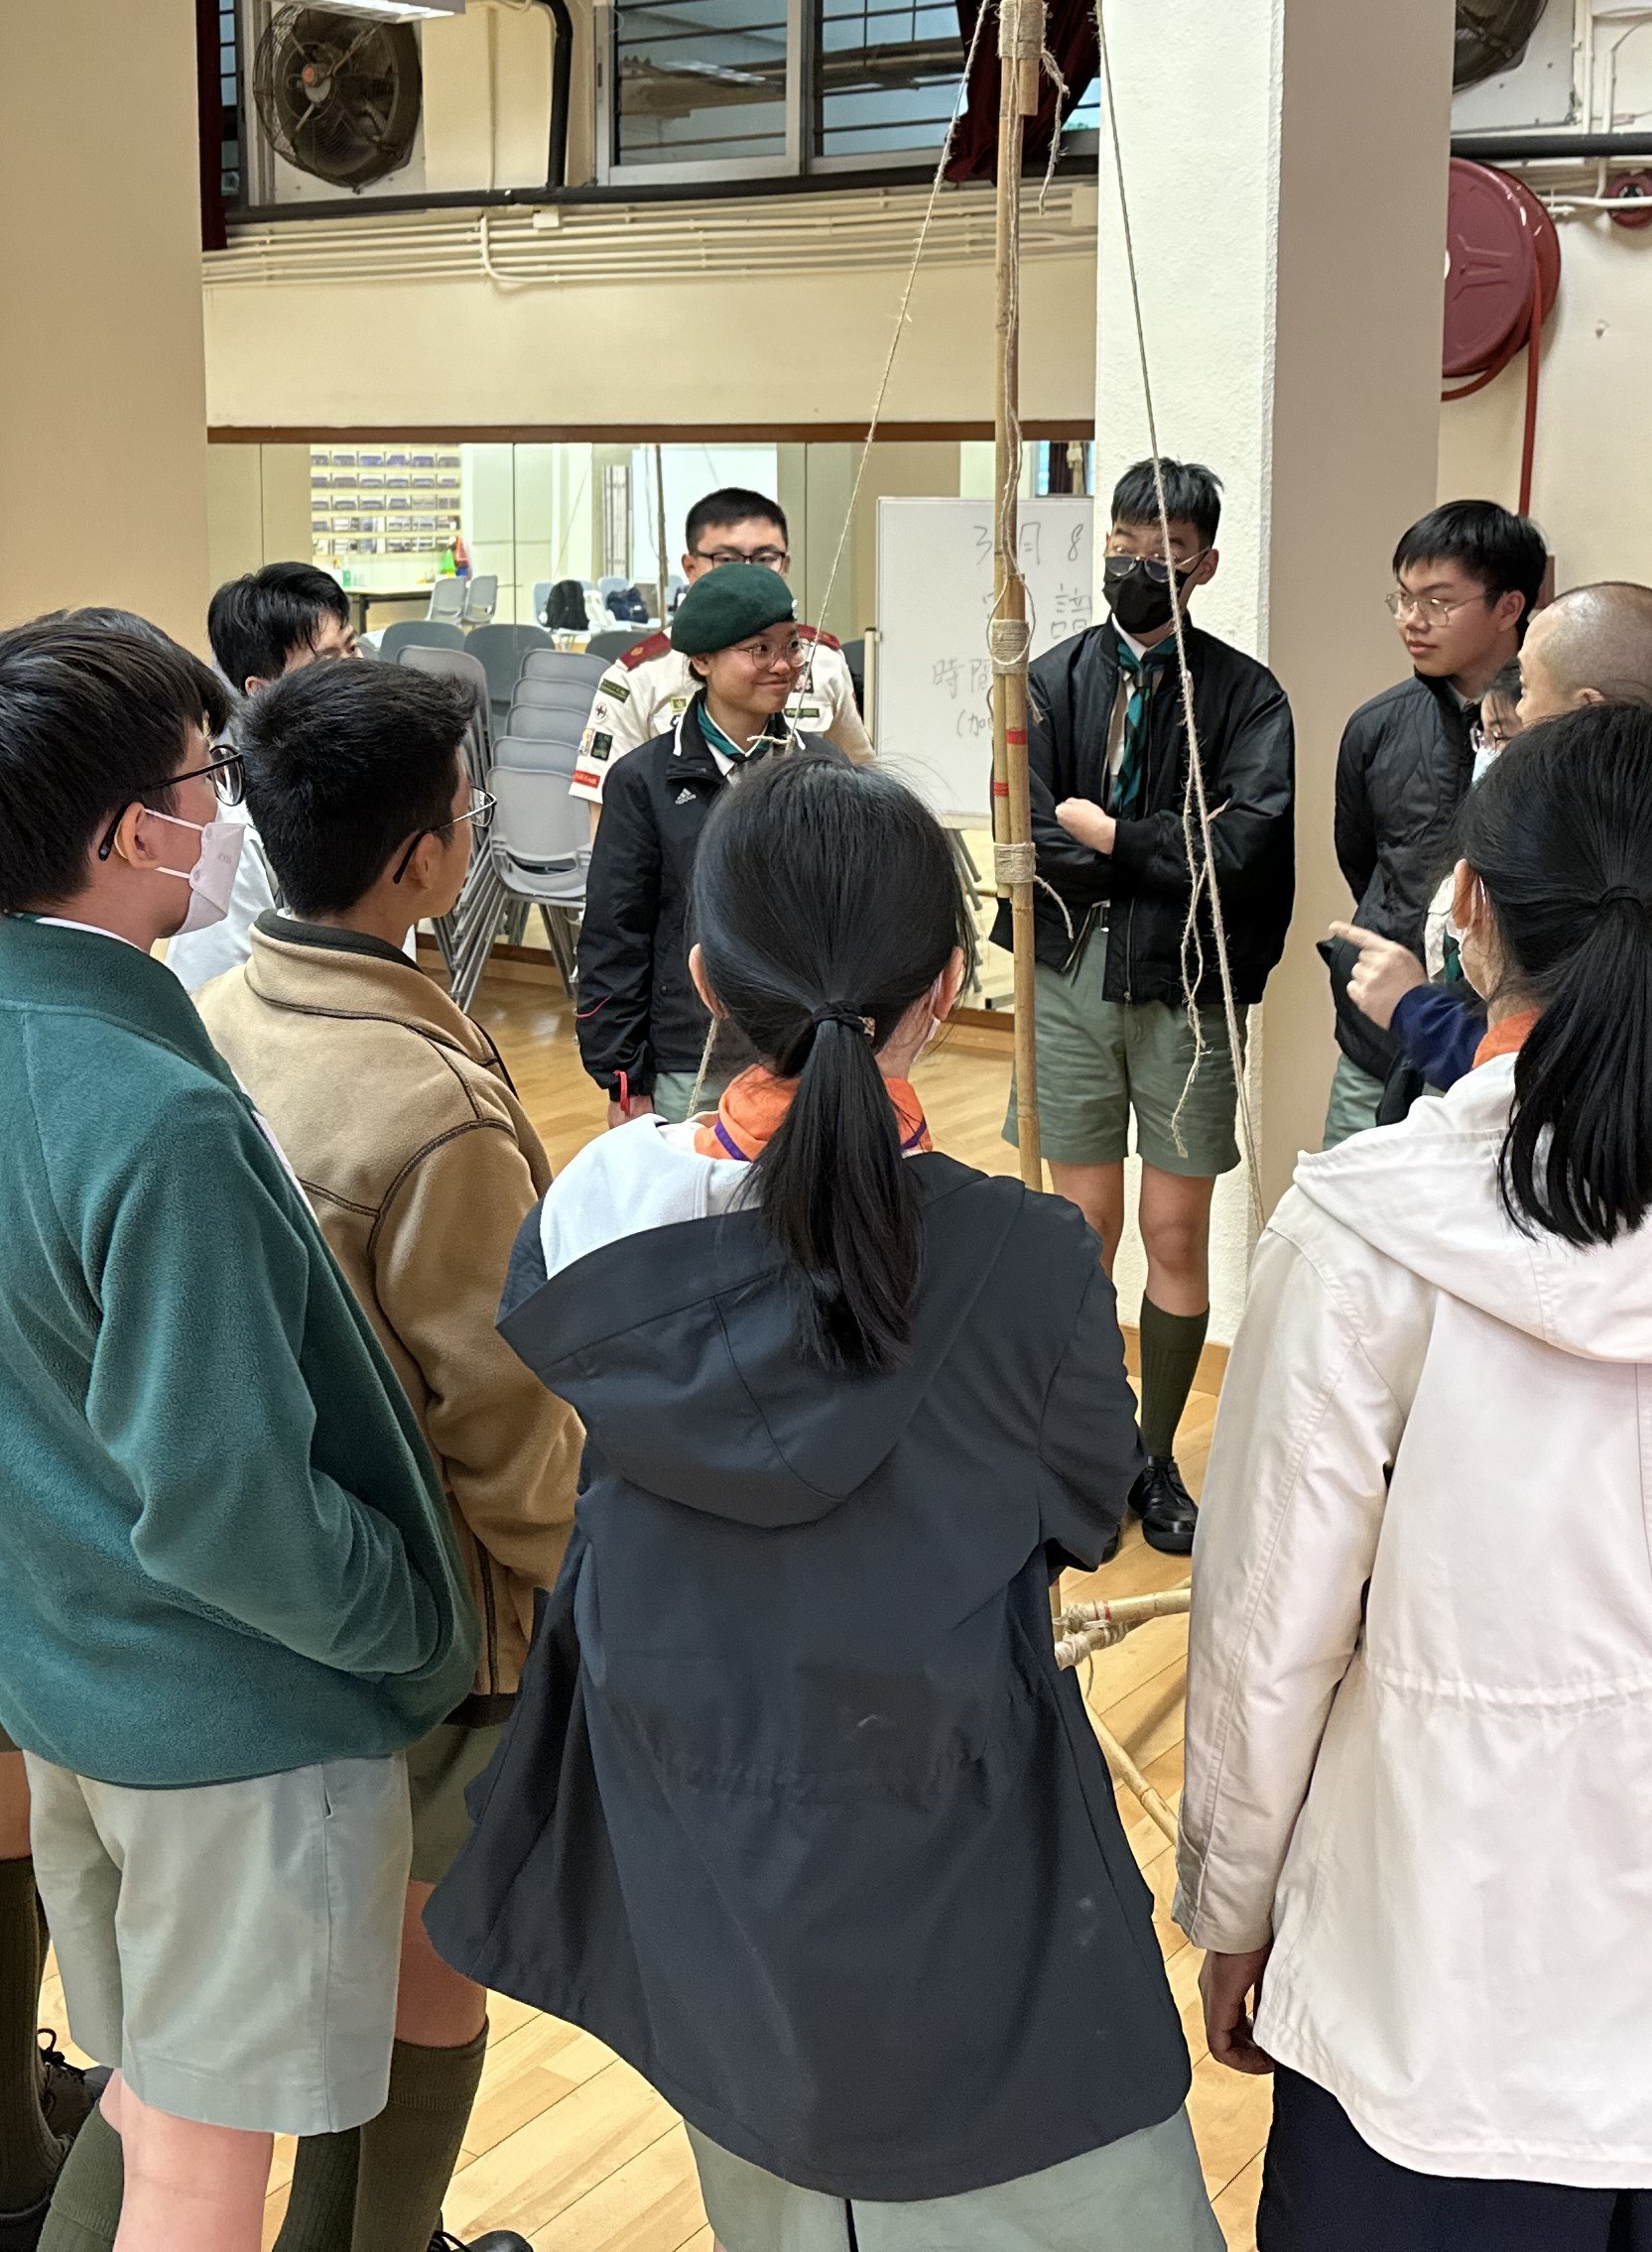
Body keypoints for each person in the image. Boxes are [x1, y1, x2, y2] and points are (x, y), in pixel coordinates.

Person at [1179, 702, 1652, 2246]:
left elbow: (1271, 1631)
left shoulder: (1360, 1234)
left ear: (1467, 907)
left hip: (1431, 1945)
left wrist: (1236, 1903)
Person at [434, 756, 1214, 2250]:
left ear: (704, 976)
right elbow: (1084, 1505)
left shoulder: (592, 1215)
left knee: (778, 2174)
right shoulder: (1027, 1259)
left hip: (690, 1812)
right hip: (941, 1822)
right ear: (947, 989)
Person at [0, 613, 473, 2252]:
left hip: (67, 1671)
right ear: (131, 832)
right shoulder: (161, 1116)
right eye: (206, 778)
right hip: (233, 1717)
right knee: (206, 2166)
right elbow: (229, 1500)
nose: (227, 811)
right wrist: (405, 1619)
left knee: (160, 2100)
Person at [197, 657, 577, 2252]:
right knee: (429, 1977)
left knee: (313, 1986)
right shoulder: (429, 1110)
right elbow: (503, 1419)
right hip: (432, 1609)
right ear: (425, 858)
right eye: (468, 814)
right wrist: (589, 1579)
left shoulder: (218, 1013)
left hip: (275, 1583)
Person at [1016, 456, 1295, 1558]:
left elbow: (1243, 850)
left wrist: (1112, 838)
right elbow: (1030, 834)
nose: (1138, 568)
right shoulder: (1047, 681)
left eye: (1164, 555)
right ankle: (1084, 1440)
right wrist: (1148, 852)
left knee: (1175, 1230)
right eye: (1124, 549)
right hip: (1068, 978)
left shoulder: (1247, 696)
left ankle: (1157, 1450)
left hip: (1187, 989)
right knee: (1080, 1231)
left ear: (1204, 565)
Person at [1336, 581, 1652, 1106]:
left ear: (1587, 711)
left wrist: (1414, 1009)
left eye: (1527, 690)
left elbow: (1569, 1084)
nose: (1517, 713)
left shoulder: (1637, 877)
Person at [1322, 500, 1543, 1148]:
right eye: (1403, 598)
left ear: (1508, 607)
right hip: (1376, 1041)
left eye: (1438, 602)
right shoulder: (1377, 726)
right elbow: (1364, 863)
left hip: (1496, 1048)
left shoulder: (1557, 733)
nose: (1412, 621)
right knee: (1347, 1202)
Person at [575, 561, 811, 1122]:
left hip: (803, 1053)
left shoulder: (818, 769)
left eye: (791, 645)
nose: (784, 665)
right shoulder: (643, 780)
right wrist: (623, 1078)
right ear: (702, 661)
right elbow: (614, 934)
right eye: (760, 649)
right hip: (687, 1061)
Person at [570, 487, 868, 819]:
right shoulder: (640, 677)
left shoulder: (820, 662)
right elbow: (610, 819)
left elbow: (858, 783)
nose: (747, 574)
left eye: (765, 559)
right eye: (726, 560)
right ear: (690, 567)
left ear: (785, 565)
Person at [172, 562, 359, 993]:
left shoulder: (369, 781)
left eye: (353, 648)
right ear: (262, 691)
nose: (355, 673)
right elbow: (211, 994)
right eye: (327, 662)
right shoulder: (236, 828)